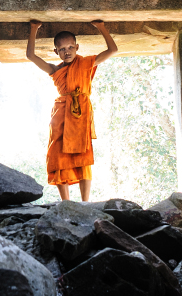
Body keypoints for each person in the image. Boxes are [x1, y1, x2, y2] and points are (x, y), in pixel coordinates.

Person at [26, 20, 119, 202]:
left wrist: (101, 27)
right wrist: (33, 29)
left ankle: (85, 203)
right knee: (57, 154)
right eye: (61, 49)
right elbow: (30, 55)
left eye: (70, 47)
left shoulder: (86, 64)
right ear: (56, 52)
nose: (66, 52)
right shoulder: (55, 70)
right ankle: (65, 202)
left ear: (77, 47)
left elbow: (113, 50)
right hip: (61, 114)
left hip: (80, 114)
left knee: (82, 156)